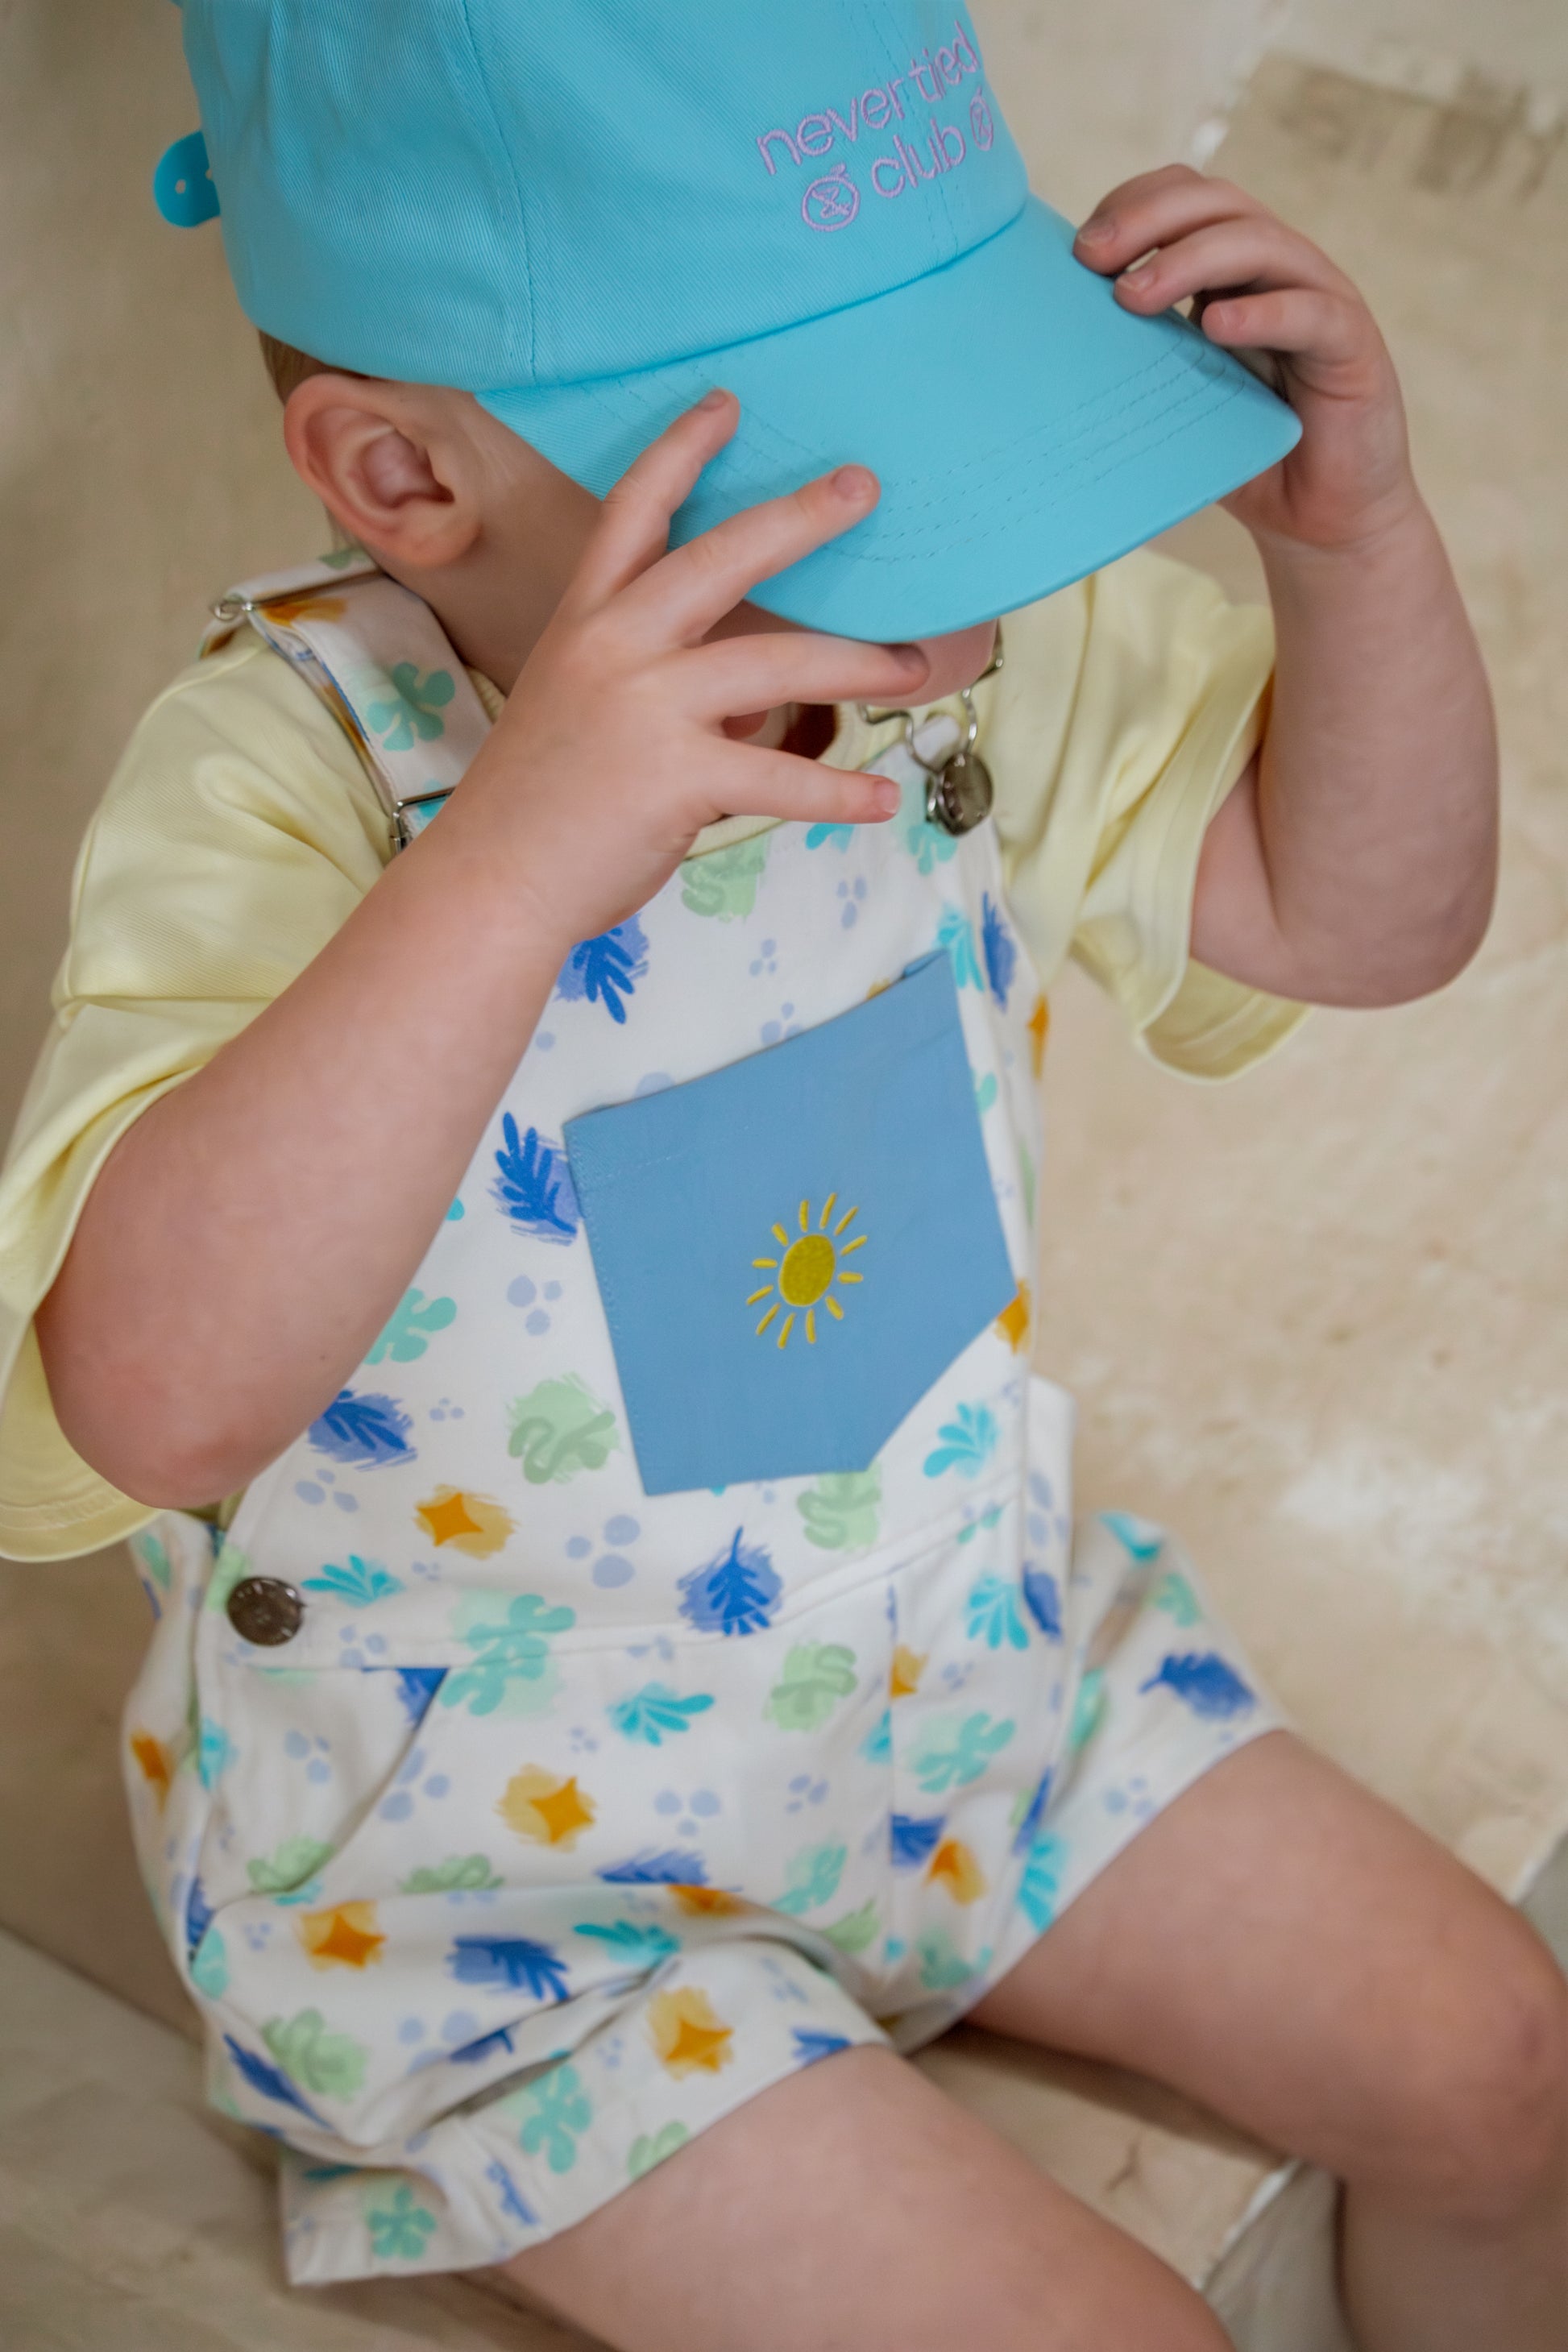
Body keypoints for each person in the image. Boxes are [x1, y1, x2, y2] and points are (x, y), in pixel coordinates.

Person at [0, 4, 1561, 2346]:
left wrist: (1349, 551)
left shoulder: (959, 644)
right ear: (403, 479)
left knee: (1499, 2051)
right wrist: (505, 867)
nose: (957, 542)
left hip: (961, 1681)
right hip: (509, 1904)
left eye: (970, 408)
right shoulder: (287, 777)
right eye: (860, 463)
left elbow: (1368, 920)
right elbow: (146, 1397)